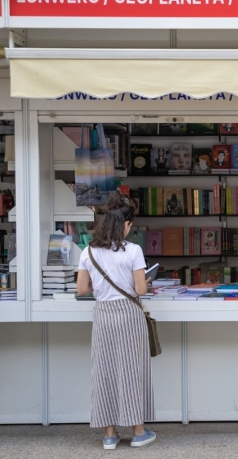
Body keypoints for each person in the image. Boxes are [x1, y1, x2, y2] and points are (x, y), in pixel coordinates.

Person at [77, 193, 156, 450]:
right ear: (125, 224)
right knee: (132, 371)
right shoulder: (133, 250)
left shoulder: (88, 252)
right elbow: (141, 290)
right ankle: (138, 433)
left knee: (105, 372)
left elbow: (82, 289)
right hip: (129, 315)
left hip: (103, 315)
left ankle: (109, 435)